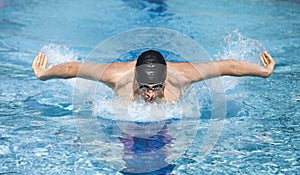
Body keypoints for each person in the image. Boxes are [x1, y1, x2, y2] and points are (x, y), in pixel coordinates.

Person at [32, 49, 275, 103]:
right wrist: (44, 75)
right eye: (145, 87)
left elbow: (228, 67)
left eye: (156, 87)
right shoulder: (117, 75)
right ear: (135, 77)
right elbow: (73, 69)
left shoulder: (183, 75)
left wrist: (263, 72)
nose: (150, 94)